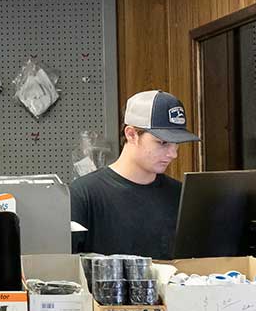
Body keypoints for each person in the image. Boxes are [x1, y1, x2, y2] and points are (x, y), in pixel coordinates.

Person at [70, 90, 201, 259]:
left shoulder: (182, 196)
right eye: (163, 143)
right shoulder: (83, 194)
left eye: (176, 144)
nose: (173, 154)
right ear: (131, 134)